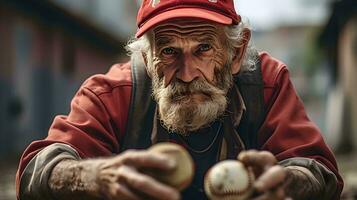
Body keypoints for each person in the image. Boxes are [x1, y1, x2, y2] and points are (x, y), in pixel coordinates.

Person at [16, 0, 343, 199]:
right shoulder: (112, 93)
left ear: (235, 52)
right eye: (169, 51)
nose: (187, 74)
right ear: (146, 60)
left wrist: (285, 181)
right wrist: (96, 177)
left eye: (203, 48)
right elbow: (35, 171)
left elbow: (320, 171)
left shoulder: (266, 84)